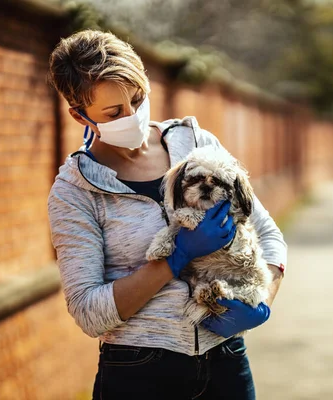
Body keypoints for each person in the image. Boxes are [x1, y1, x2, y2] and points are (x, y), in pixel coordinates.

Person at [46, 29, 287, 400]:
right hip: (139, 373)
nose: (132, 116)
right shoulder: (75, 191)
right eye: (114, 112)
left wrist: (262, 300)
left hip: (225, 361)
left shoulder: (196, 143)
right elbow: (88, 311)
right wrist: (174, 258)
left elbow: (267, 234)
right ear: (80, 115)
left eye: (138, 99)